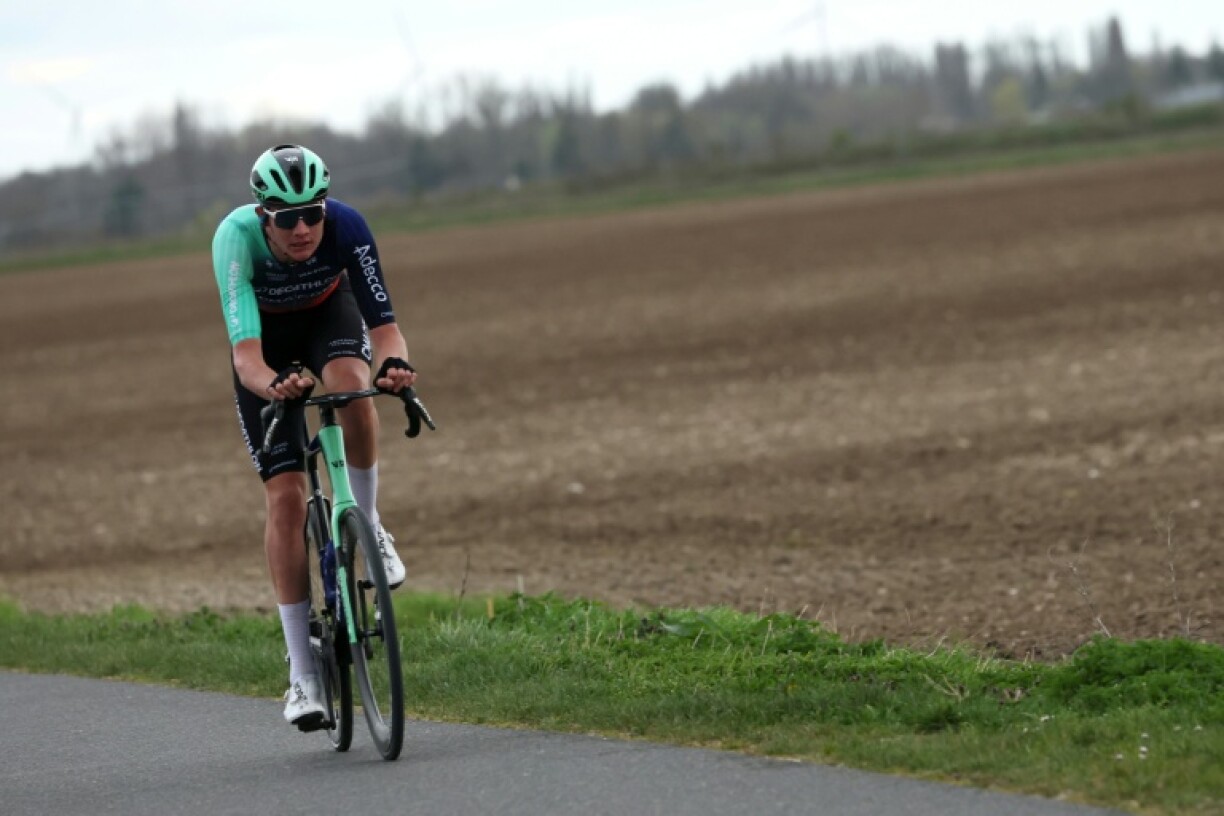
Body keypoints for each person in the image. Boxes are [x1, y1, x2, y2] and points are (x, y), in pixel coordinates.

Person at [211, 143, 417, 731]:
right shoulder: (235, 241)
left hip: (329, 317)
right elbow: (246, 357)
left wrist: (396, 366)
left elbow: (387, 331)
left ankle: (370, 524)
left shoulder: (347, 226)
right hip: (267, 346)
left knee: (353, 386)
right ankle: (302, 674)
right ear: (262, 216)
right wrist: (275, 385)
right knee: (285, 496)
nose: (302, 228)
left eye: (313, 213)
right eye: (286, 217)